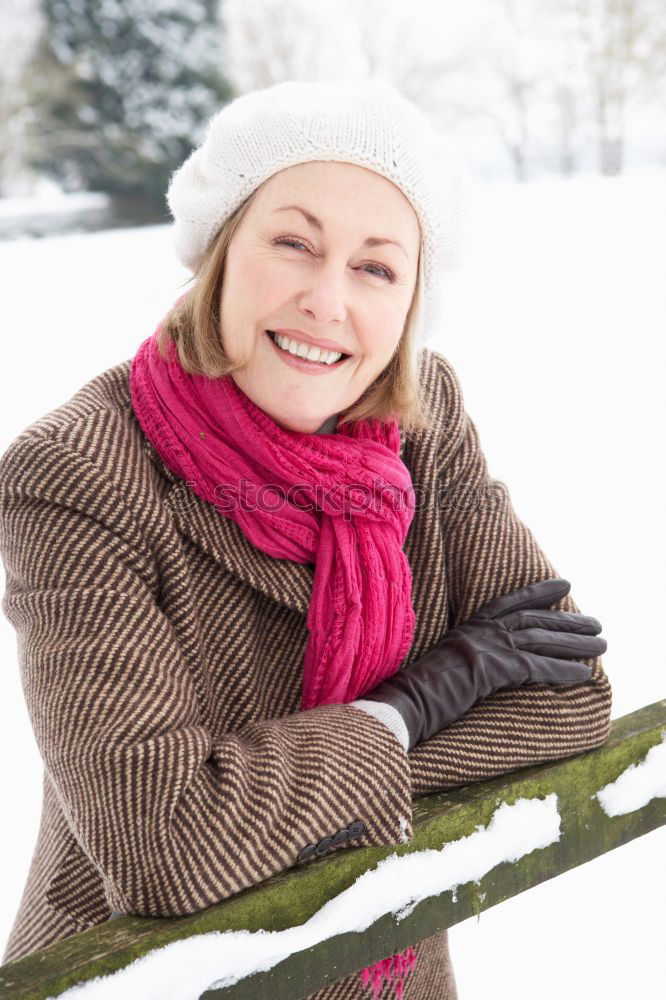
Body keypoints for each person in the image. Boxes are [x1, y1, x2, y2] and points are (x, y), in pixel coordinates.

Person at [0, 78, 611, 999]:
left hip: (385, 965)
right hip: (155, 975)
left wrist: (250, 785)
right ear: (220, 249)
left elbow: (568, 698)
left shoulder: (421, 419)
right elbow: (165, 842)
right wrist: (414, 706)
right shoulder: (79, 476)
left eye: (376, 268)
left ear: (410, 303)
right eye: (293, 243)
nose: (328, 301)